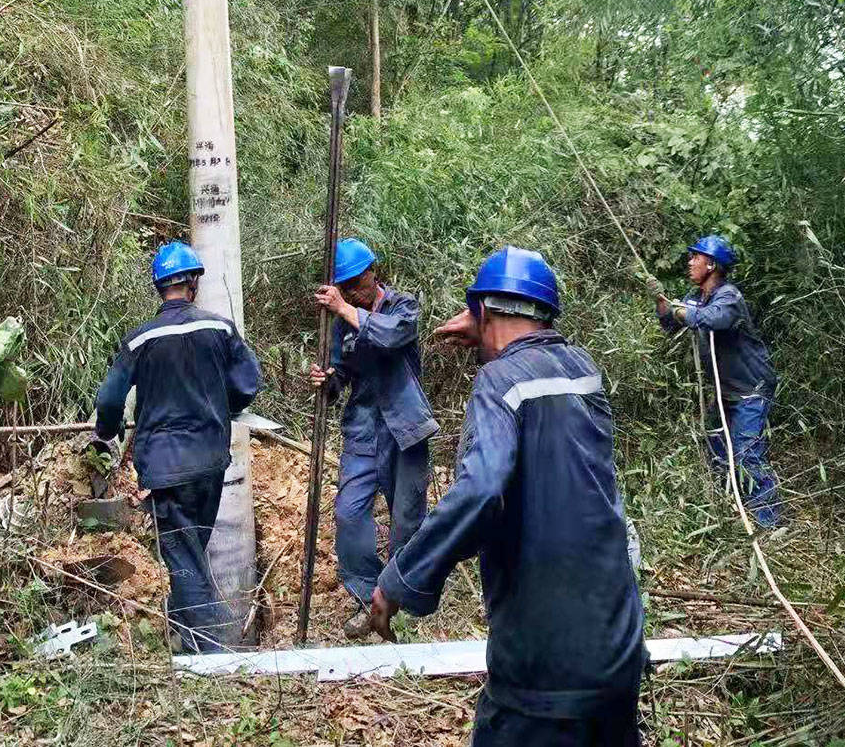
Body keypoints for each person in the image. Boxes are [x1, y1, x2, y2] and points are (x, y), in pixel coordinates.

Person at [370, 246, 646, 746]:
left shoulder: (499, 381)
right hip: (618, 645)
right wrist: (486, 321)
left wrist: (399, 581)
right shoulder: (584, 370)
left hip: (544, 665)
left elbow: (480, 489)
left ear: (484, 310)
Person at [92, 240, 261, 653]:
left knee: (183, 555)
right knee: (190, 545)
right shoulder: (219, 329)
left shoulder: (139, 340)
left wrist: (106, 433)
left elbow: (110, 400)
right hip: (210, 461)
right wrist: (223, 409)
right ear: (194, 283)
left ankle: (212, 653)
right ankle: (188, 636)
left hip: (167, 466)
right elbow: (247, 384)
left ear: (158, 287)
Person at [310, 237, 438, 640]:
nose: (351, 293)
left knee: (407, 522)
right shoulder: (342, 322)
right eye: (344, 288)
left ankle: (400, 600)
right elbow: (339, 378)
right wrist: (326, 381)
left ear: (373, 273)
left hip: (406, 429)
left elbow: (389, 338)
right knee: (349, 514)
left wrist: (345, 310)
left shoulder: (403, 307)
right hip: (363, 432)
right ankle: (368, 598)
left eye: (355, 284)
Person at [650, 234, 781, 529]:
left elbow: (712, 319)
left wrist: (679, 309)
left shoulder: (729, 297)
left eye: (695, 257)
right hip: (725, 390)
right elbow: (672, 323)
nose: (690, 261)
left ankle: (769, 523)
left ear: (711, 264)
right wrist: (661, 302)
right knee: (716, 442)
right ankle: (730, 505)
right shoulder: (697, 297)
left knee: (747, 452)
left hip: (751, 388)